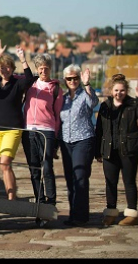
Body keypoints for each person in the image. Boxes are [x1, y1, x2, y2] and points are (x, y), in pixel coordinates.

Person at [96, 74, 138, 226]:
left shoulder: (133, 104)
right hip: (109, 150)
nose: (119, 93)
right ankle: (111, 212)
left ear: (126, 91)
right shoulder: (105, 105)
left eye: (122, 90)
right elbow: (99, 129)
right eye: (116, 90)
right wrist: (97, 151)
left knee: (129, 182)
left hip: (128, 150)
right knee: (110, 183)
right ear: (111, 90)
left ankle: (132, 213)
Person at [0, 39, 34, 200]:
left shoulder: (17, 84)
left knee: (5, 163)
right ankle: (12, 193)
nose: (4, 69)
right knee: (4, 166)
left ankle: (11, 198)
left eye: (8, 66)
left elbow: (30, 79)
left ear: (12, 68)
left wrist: (22, 59)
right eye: (1, 67)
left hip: (12, 129)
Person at [21, 53, 63, 209]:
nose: (43, 71)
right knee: (34, 168)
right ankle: (40, 200)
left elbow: (58, 115)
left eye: (46, 68)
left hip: (47, 131)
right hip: (29, 130)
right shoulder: (30, 85)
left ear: (50, 69)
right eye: (40, 68)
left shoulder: (55, 88)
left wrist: (56, 136)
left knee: (46, 167)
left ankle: (51, 201)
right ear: (37, 69)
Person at [59, 64, 99, 227]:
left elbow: (93, 102)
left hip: (83, 139)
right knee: (70, 178)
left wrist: (87, 84)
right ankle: (73, 214)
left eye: (75, 78)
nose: (73, 81)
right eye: (69, 78)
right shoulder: (63, 98)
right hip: (65, 141)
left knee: (80, 176)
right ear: (65, 80)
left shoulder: (85, 94)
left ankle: (81, 216)